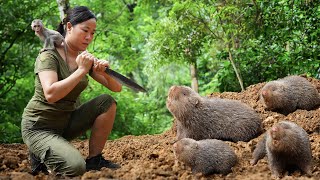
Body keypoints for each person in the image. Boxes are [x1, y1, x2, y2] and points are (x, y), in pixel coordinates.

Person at [21, 6, 122, 176]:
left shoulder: (83, 58)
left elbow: (116, 88)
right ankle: (39, 153)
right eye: (85, 31)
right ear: (69, 27)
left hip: (65, 123)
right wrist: (81, 70)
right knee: (75, 167)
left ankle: (94, 160)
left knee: (106, 101)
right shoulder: (48, 55)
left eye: (93, 32)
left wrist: (102, 71)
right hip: (39, 127)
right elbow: (51, 94)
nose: (89, 37)